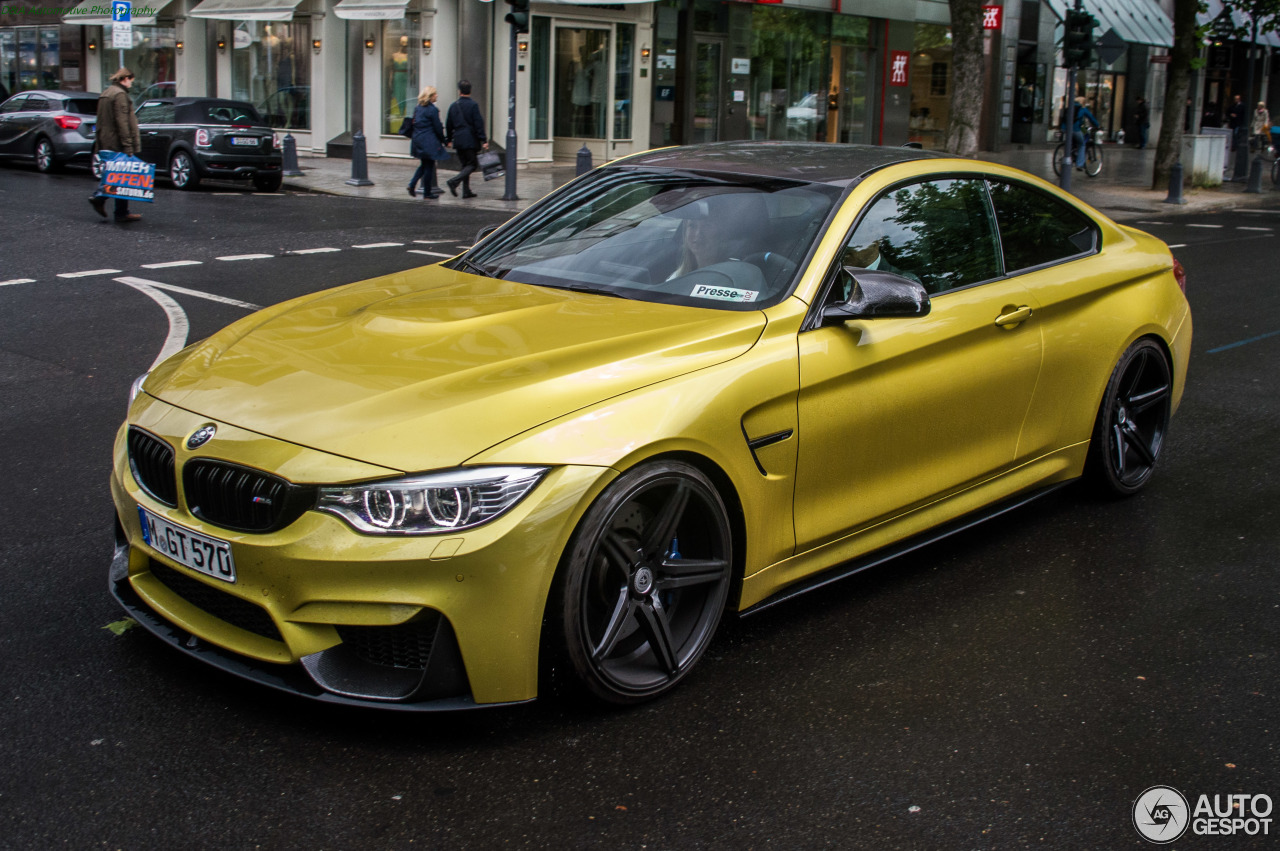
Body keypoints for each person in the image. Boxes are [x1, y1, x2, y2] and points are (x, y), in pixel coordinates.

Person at [90, 67, 142, 223]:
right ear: (124, 79)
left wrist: (99, 143)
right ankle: (101, 199)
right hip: (116, 143)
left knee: (118, 175)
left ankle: (120, 211)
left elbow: (100, 121)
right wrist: (128, 146)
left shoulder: (106, 93)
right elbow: (123, 122)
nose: (131, 84)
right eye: (130, 81)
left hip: (106, 140)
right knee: (120, 175)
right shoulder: (119, 95)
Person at [445, 79, 487, 199]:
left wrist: (448, 139)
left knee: (465, 165)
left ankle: (466, 190)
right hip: (470, 140)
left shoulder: (454, 106)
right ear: (470, 91)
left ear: (459, 92)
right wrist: (483, 139)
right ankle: (454, 181)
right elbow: (478, 123)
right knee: (472, 165)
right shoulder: (473, 105)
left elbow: (449, 124)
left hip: (458, 140)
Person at [407, 85, 448, 199]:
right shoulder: (432, 110)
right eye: (435, 94)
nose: (437, 95)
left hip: (418, 140)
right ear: (430, 96)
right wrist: (444, 140)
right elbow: (437, 127)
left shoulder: (418, 108)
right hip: (428, 141)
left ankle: (412, 185)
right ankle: (427, 192)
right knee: (429, 165)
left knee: (424, 164)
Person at [1061, 96, 1099, 169]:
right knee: (1082, 144)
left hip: (1065, 129)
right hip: (1075, 129)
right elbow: (1091, 118)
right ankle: (1079, 164)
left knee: (1071, 143)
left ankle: (1072, 154)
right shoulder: (1082, 109)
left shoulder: (1069, 108)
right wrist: (1097, 125)